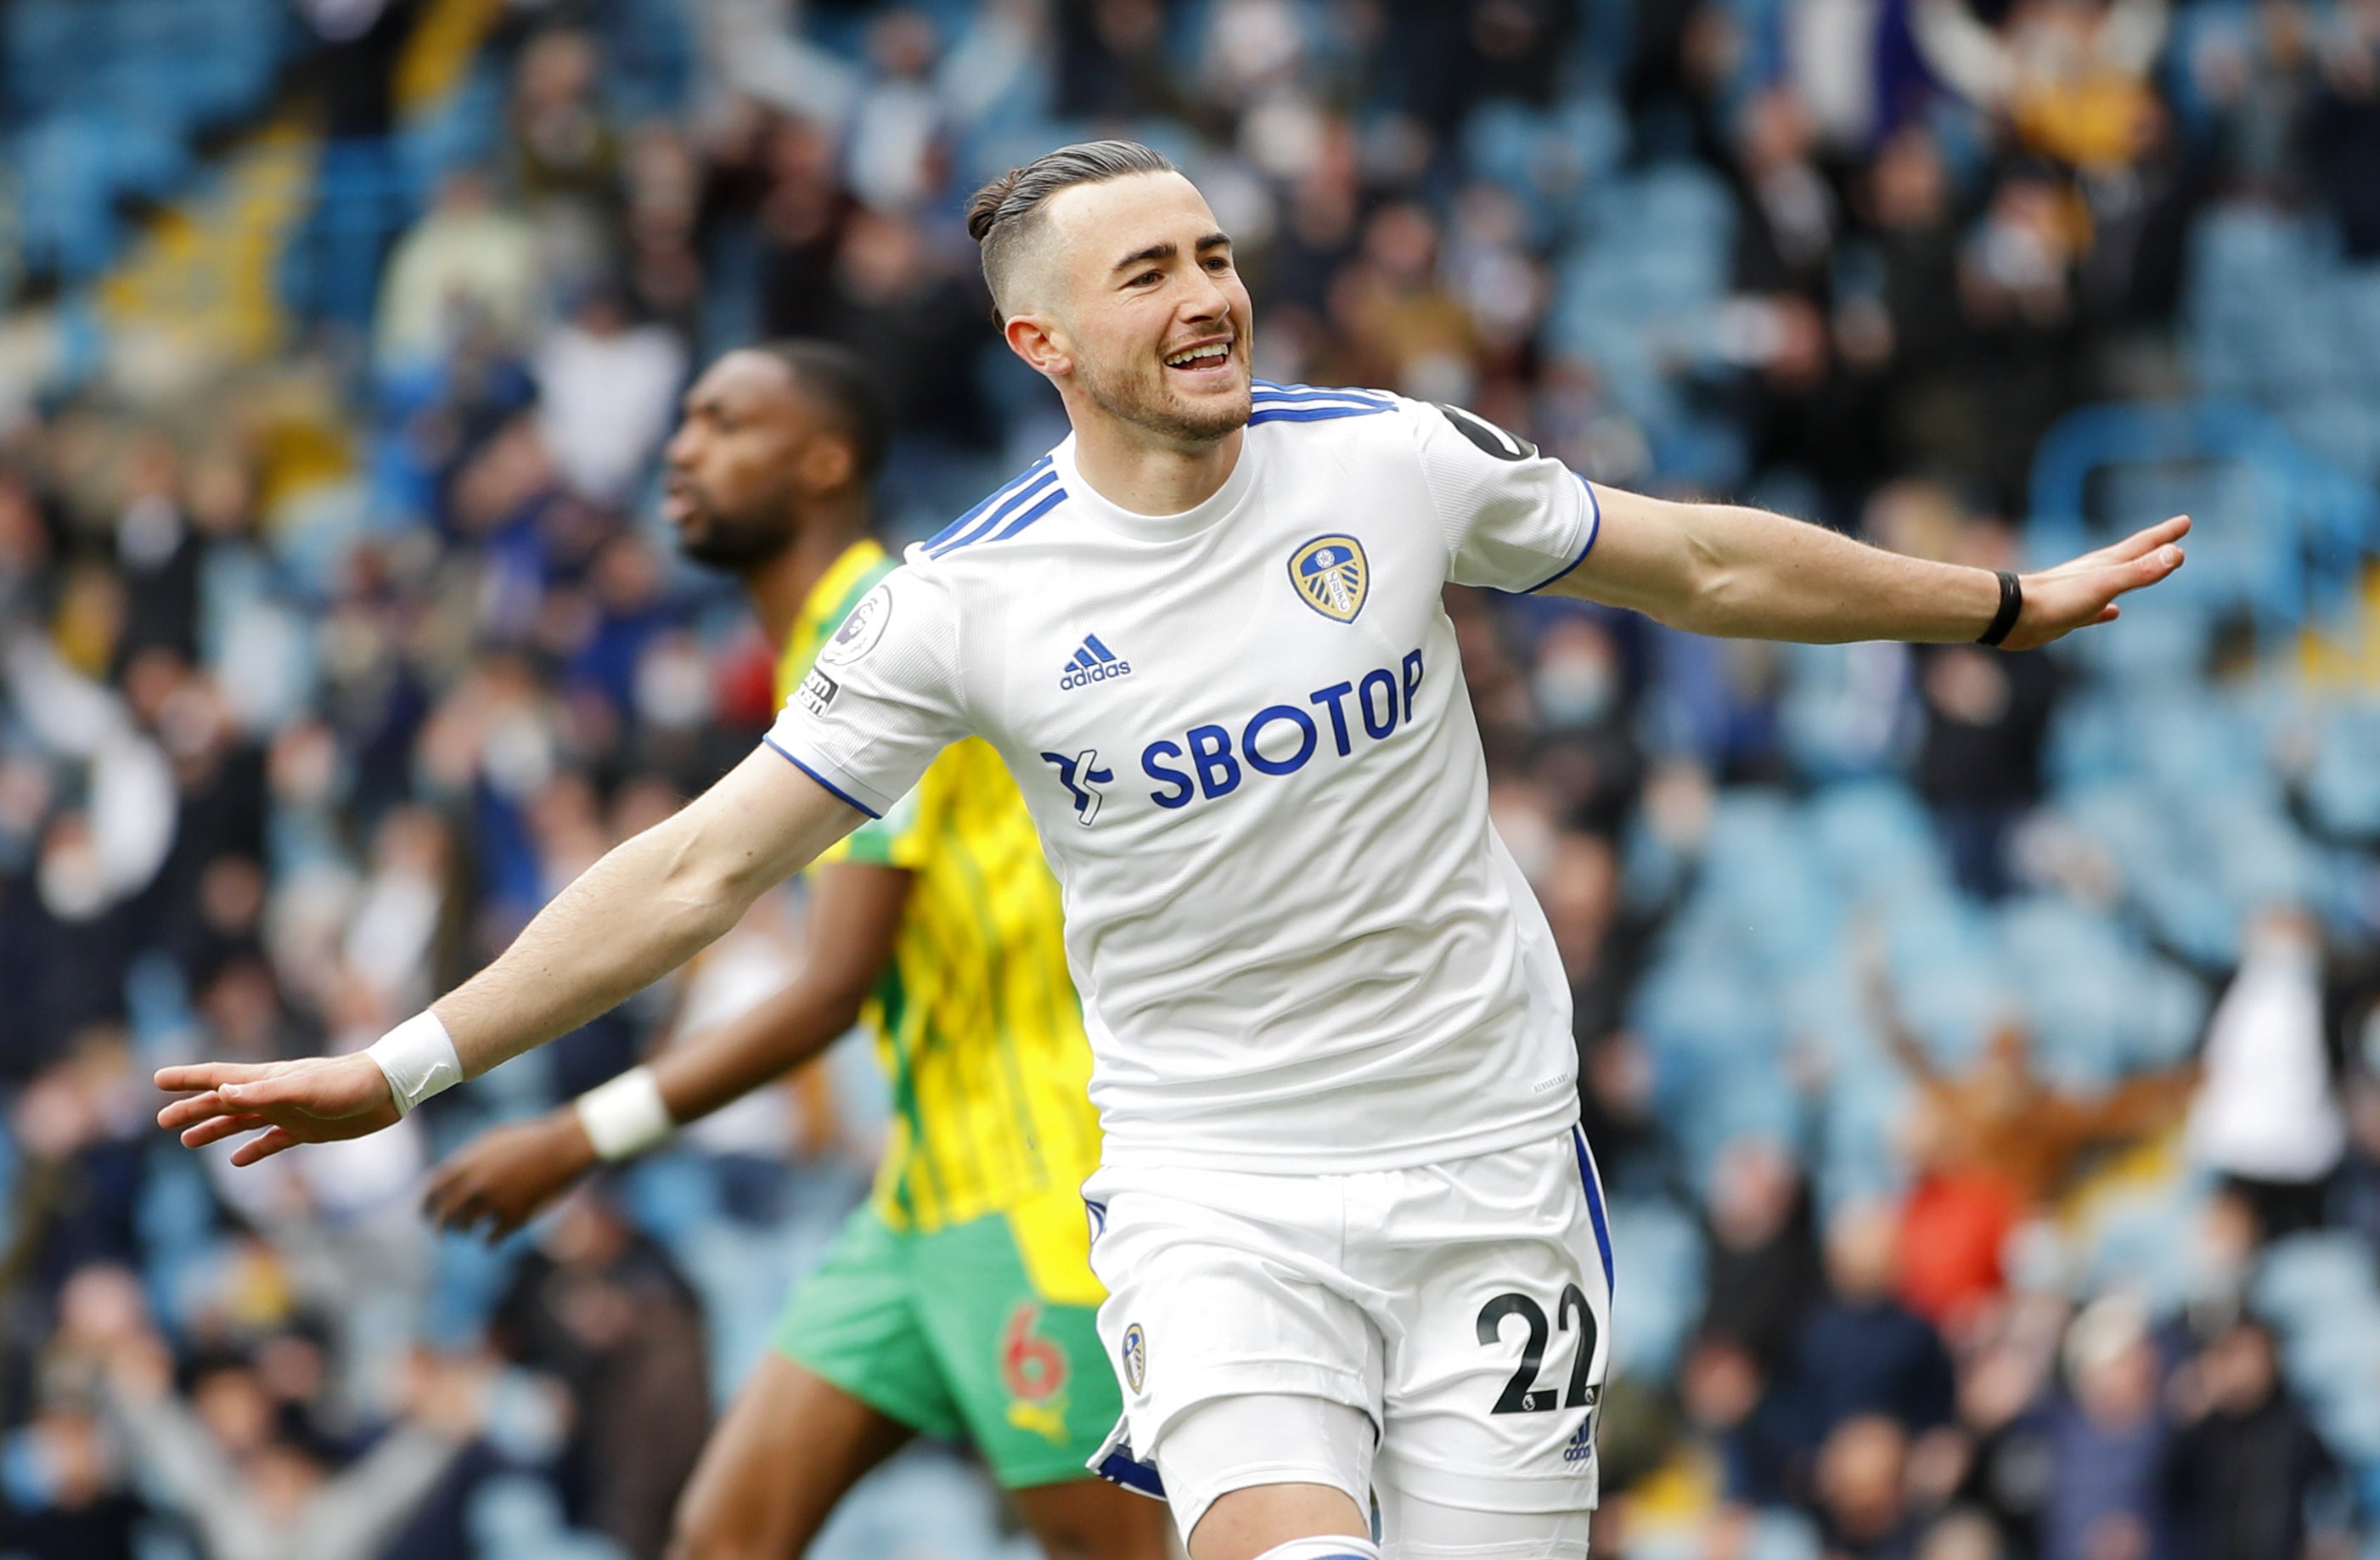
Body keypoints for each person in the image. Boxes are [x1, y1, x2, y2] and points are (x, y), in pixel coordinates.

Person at [156, 140, 2189, 1560]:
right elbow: (697, 872)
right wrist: (401, 1065)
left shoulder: (1387, 463)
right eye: (1151, 273)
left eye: (1214, 254)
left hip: (1487, 1163)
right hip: (1213, 1189)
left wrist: (1995, 603)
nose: (1210, 294)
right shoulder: (958, 608)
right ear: (1041, 343)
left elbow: (1706, 560)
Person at [418, 340, 1164, 1560]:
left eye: (725, 421)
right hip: (921, 1194)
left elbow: (828, 991)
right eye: (685, 418)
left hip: (1032, 1190)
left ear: (825, 462)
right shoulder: (824, 647)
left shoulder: (895, 633)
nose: (682, 443)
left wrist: (573, 1137)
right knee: (721, 1541)